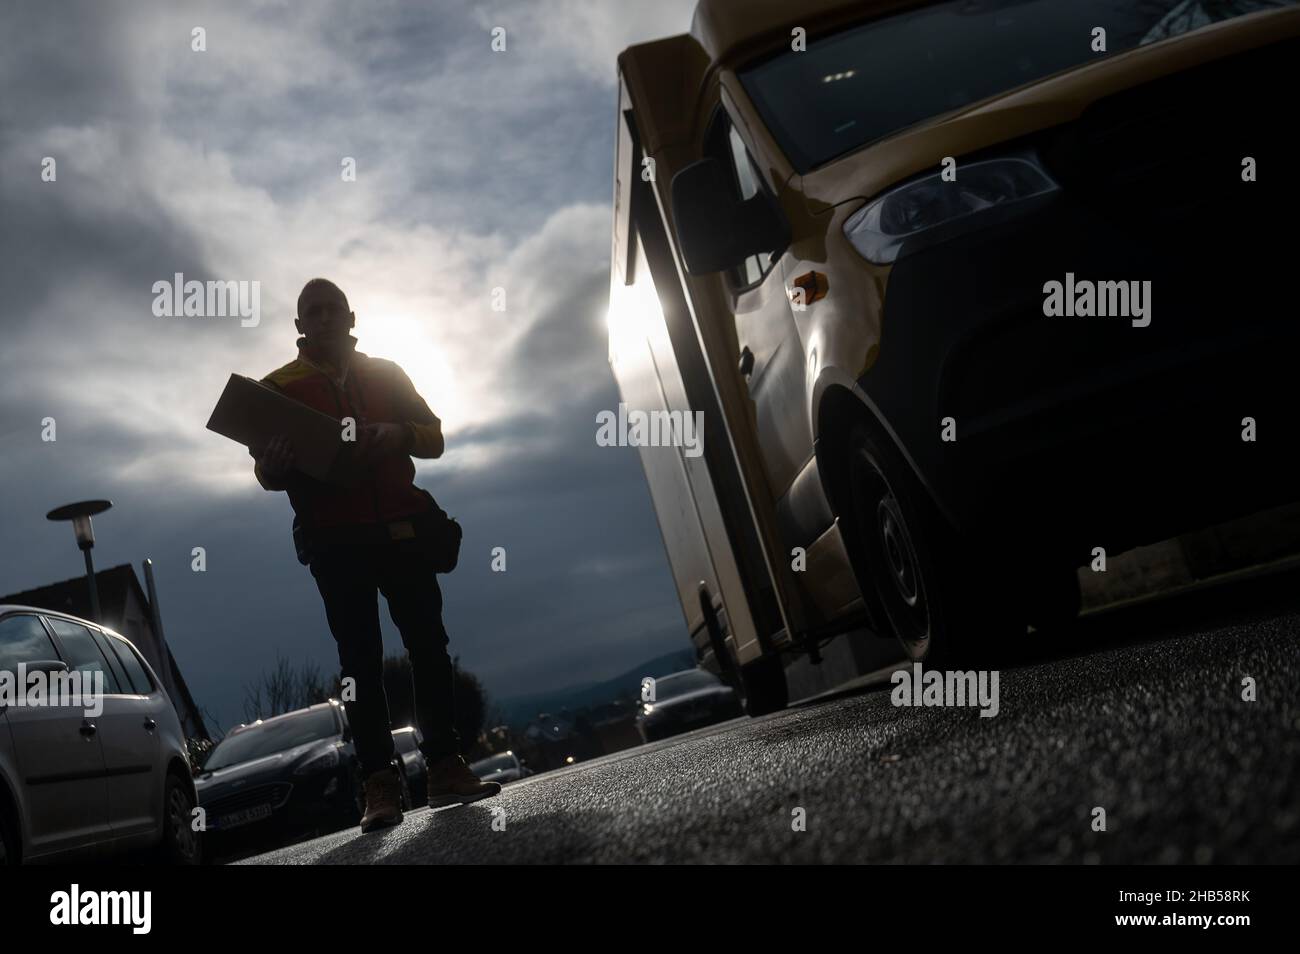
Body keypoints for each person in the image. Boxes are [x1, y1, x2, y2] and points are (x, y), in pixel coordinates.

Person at [250, 277, 499, 833]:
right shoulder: (275, 388)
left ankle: (445, 767)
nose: (324, 317)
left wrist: (397, 432)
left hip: (402, 531)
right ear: (298, 326)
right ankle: (380, 787)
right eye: (312, 311)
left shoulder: (388, 372)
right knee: (359, 666)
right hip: (334, 544)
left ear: (351, 315)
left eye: (332, 308)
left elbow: (433, 436)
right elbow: (266, 474)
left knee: (429, 647)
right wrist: (273, 464)